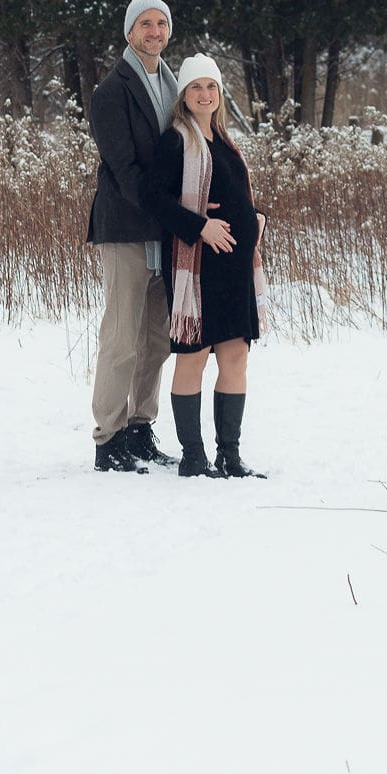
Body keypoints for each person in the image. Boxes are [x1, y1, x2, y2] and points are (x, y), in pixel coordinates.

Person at [86, 0, 223, 472]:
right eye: (145, 23)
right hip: (126, 228)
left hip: (166, 235)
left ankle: (141, 428)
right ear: (130, 31)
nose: (154, 30)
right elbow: (124, 170)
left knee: (158, 340)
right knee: (121, 339)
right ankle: (109, 439)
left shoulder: (173, 85)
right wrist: (177, 214)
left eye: (162, 22)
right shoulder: (111, 92)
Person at [145, 55, 266, 478]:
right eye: (196, 87)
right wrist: (200, 227)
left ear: (219, 94)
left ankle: (228, 455)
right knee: (193, 357)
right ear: (184, 95)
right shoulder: (176, 141)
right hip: (198, 268)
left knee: (235, 356)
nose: (204, 94)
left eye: (211, 87)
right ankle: (193, 457)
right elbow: (156, 201)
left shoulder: (226, 142)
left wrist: (256, 217)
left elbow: (234, 195)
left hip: (234, 271)